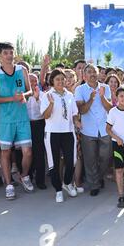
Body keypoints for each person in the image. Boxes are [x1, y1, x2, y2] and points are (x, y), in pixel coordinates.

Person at [0, 42, 34, 200]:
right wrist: (12, 98)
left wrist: (25, 95)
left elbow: (30, 90)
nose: (9, 55)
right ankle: (9, 185)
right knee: (5, 152)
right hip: (5, 120)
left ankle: (24, 175)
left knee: (28, 152)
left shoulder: (22, 69)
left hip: (22, 118)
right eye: (6, 53)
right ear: (0, 55)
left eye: (11, 52)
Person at [41, 69, 81, 202]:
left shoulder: (70, 95)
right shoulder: (47, 95)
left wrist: (76, 121)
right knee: (54, 162)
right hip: (52, 133)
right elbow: (45, 116)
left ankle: (68, 183)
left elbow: (74, 113)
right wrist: (51, 104)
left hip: (68, 132)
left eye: (63, 79)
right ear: (52, 81)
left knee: (72, 161)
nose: (61, 81)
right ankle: (58, 189)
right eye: (58, 79)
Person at [75, 64, 112, 196]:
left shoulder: (105, 87)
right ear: (84, 76)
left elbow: (110, 108)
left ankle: (99, 177)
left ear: (98, 74)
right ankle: (94, 184)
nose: (92, 74)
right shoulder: (80, 89)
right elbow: (81, 110)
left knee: (105, 157)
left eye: (94, 72)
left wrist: (102, 97)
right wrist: (91, 99)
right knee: (90, 159)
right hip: (88, 129)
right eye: (89, 72)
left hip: (104, 128)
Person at [26, 73, 47, 189]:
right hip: (26, 125)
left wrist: (38, 98)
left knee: (39, 153)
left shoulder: (43, 95)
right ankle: (27, 176)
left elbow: (43, 112)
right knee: (26, 152)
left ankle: (40, 180)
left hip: (39, 124)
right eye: (30, 81)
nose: (33, 83)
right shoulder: (23, 95)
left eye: (35, 81)